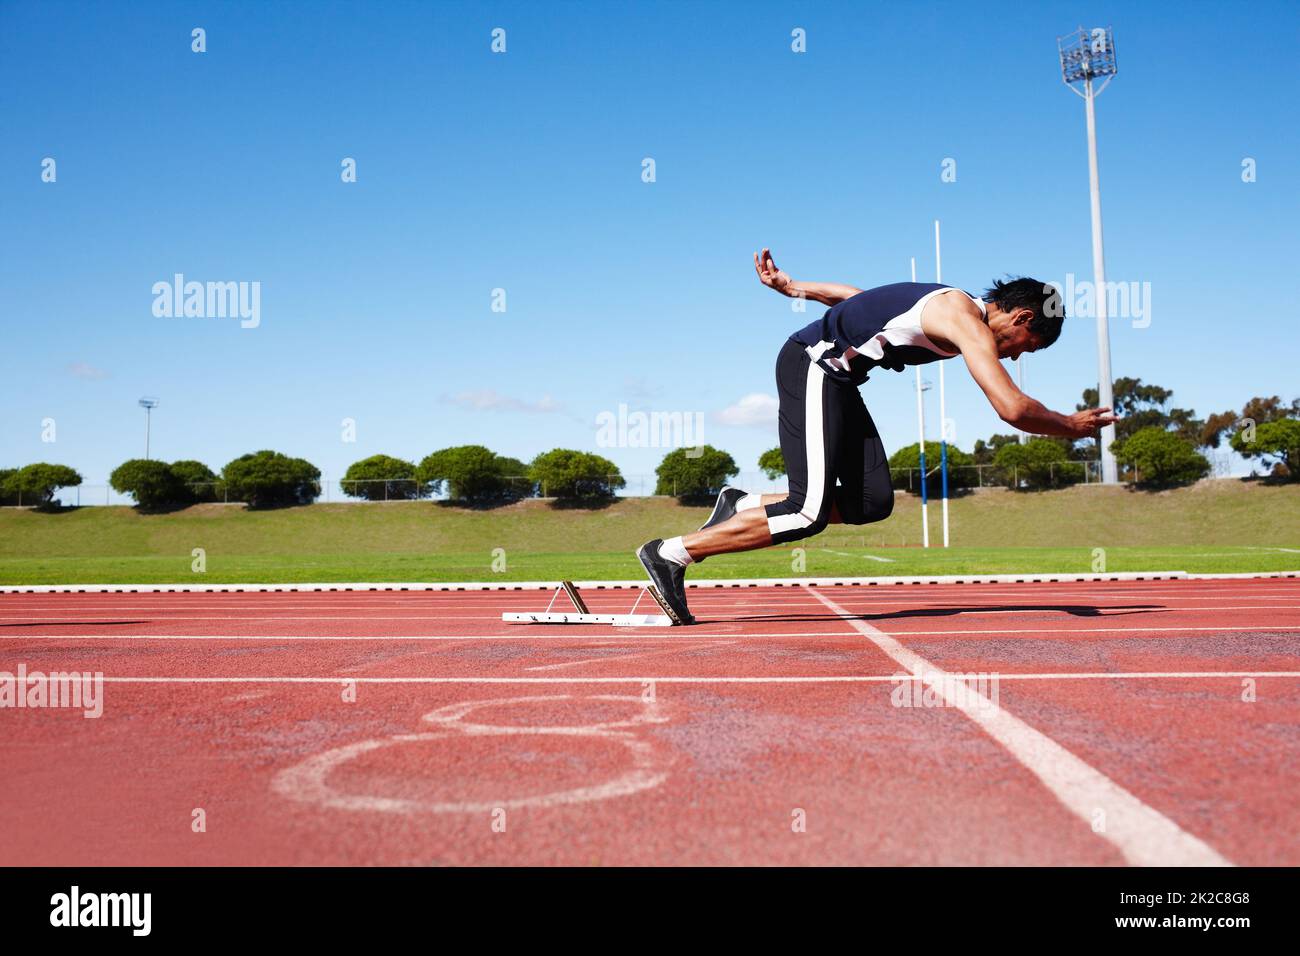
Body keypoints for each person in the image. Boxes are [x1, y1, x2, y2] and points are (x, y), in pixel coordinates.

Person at [636, 249, 1119, 625]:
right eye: (1024, 348)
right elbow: (1011, 408)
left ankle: (743, 503)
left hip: (840, 381)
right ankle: (670, 552)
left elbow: (857, 299)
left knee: (872, 500)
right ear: (1023, 319)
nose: (1013, 357)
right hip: (813, 364)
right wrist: (1070, 426)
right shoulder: (962, 319)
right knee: (808, 513)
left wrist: (795, 286)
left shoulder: (950, 309)